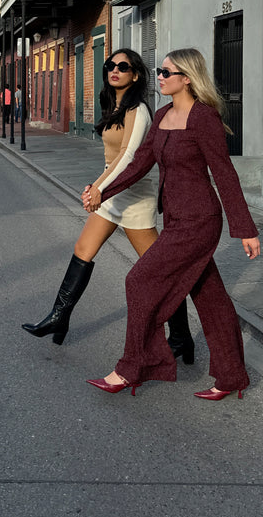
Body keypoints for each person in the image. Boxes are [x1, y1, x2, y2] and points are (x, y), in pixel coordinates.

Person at [85, 48, 260, 401]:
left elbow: (224, 175)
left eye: (166, 72)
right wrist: (103, 190)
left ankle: (132, 368)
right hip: (177, 218)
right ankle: (232, 376)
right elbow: (139, 164)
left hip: (199, 220)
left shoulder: (203, 119)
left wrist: (245, 228)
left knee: (139, 280)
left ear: (187, 79)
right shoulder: (163, 116)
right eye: (159, 71)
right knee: (211, 298)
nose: (160, 77)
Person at [22, 49, 193, 356]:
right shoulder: (113, 105)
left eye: (123, 67)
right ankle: (59, 317)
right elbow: (110, 160)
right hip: (111, 193)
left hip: (134, 195)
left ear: (136, 74)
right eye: (111, 65)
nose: (115, 70)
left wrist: (98, 188)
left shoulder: (138, 109)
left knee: (156, 269)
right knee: (82, 251)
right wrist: (98, 185)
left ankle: (180, 336)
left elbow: (129, 157)